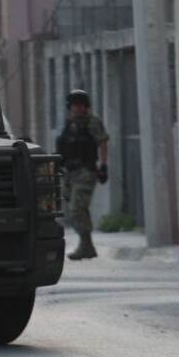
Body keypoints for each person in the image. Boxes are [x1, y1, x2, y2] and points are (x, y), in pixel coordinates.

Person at [56, 89, 109, 260]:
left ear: (86, 106)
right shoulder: (69, 123)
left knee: (77, 209)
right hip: (70, 173)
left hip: (86, 171)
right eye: (74, 106)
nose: (77, 109)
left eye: (80, 105)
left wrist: (103, 165)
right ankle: (87, 245)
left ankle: (85, 244)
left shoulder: (92, 122)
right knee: (77, 210)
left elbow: (102, 143)